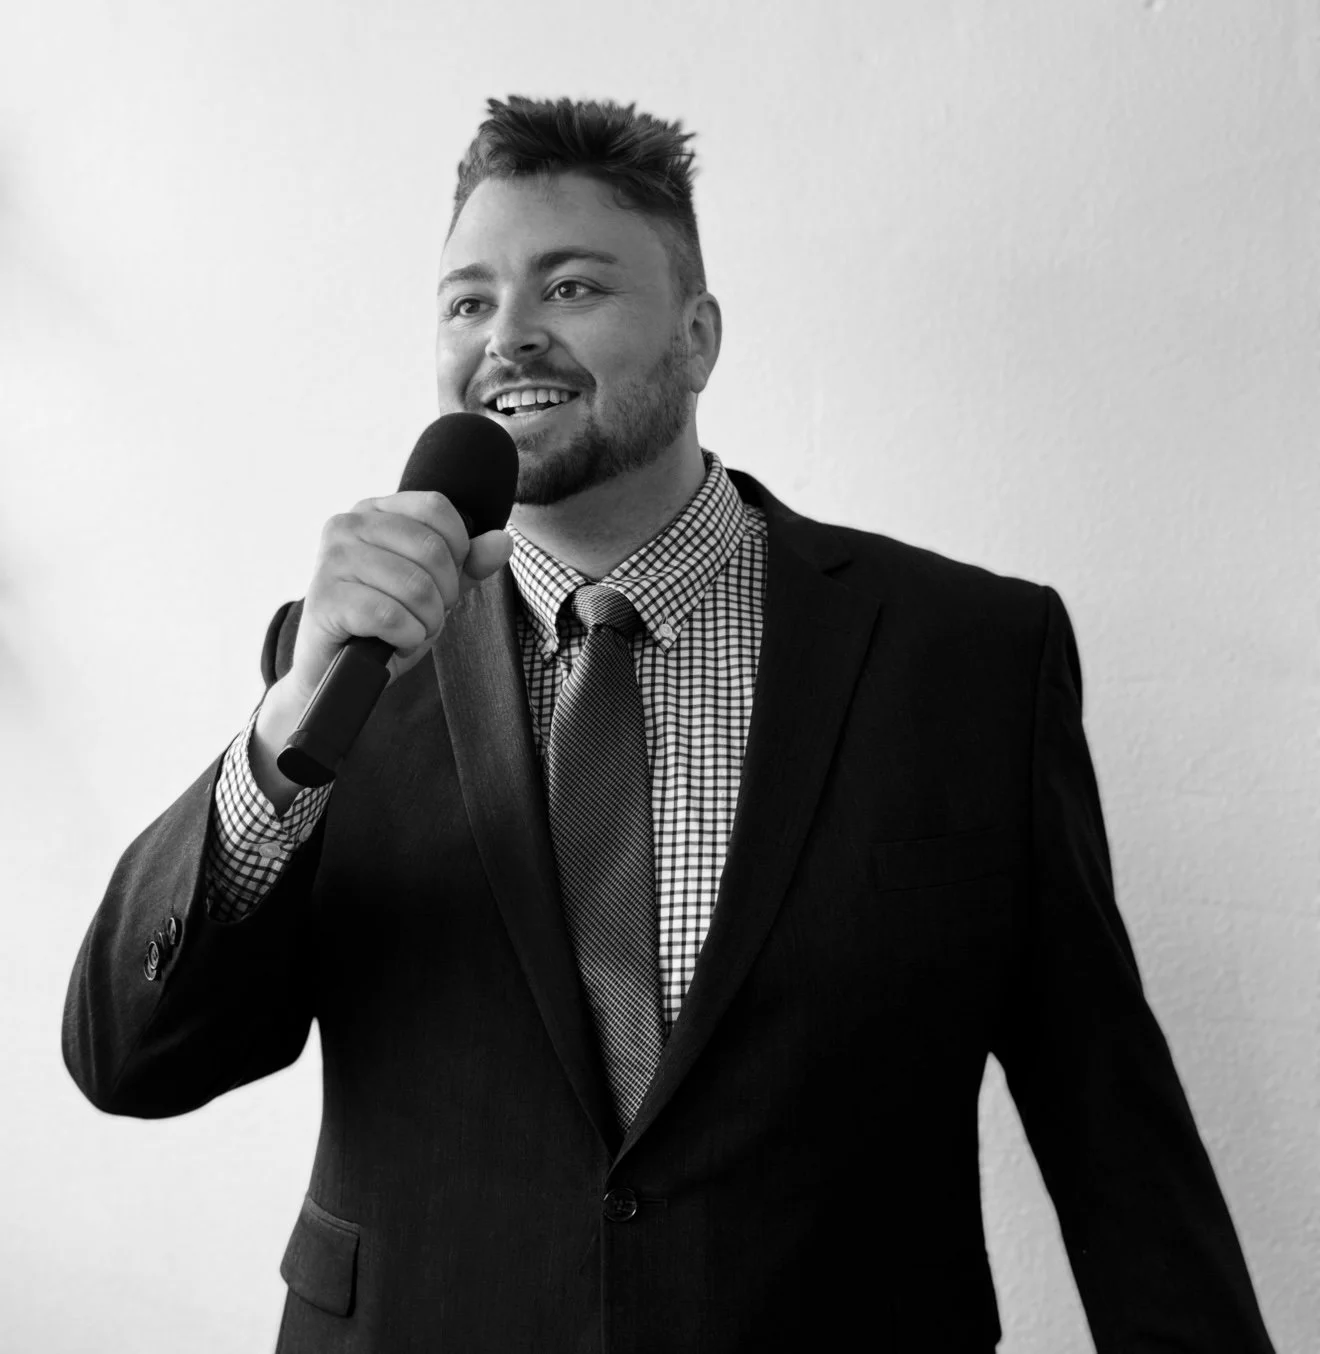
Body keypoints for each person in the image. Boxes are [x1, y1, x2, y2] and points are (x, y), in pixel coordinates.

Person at [63, 95, 1277, 1353]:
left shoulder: (970, 657)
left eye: (573, 287)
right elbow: (127, 1059)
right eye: (468, 301)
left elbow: (1110, 1122)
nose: (509, 337)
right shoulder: (345, 673)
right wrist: (283, 733)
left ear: (698, 338)